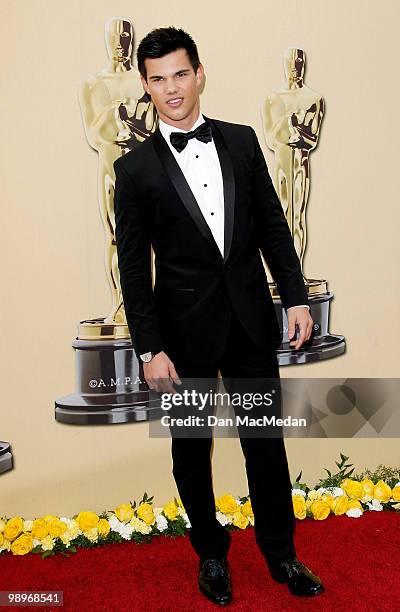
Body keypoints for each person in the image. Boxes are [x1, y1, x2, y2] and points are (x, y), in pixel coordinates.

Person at [114, 26, 324, 605]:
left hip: (251, 322)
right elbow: (133, 268)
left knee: (265, 443)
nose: (172, 89)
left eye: (180, 74)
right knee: (190, 450)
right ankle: (210, 553)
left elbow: (273, 227)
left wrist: (296, 295)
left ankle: (282, 555)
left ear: (200, 73)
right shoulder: (134, 171)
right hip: (181, 338)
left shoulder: (240, 141)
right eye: (158, 79)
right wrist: (149, 348)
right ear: (145, 86)